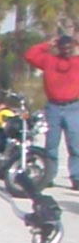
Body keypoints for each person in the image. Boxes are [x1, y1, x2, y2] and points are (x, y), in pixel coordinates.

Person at [24, 33, 79, 188]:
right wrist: (47, 44)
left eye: (69, 48)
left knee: (75, 144)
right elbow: (29, 55)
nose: (66, 51)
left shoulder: (77, 62)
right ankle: (49, 175)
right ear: (58, 48)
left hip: (73, 107)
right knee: (51, 145)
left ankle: (76, 177)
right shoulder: (49, 60)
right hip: (53, 107)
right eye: (63, 48)